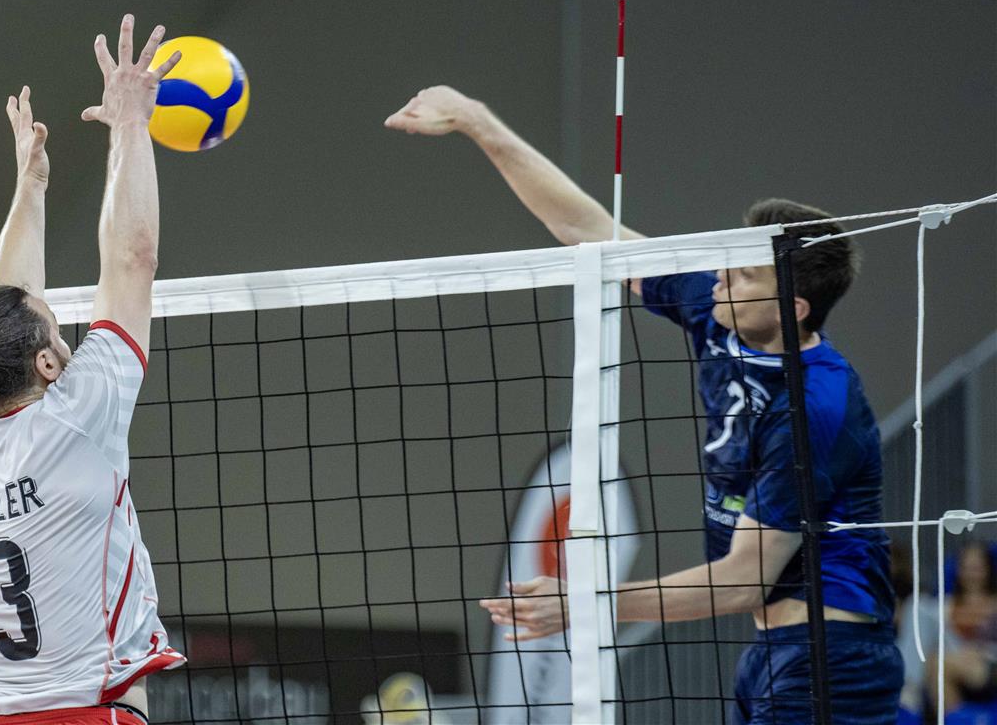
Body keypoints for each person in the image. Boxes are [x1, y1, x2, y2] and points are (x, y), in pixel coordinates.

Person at [386, 86, 904, 723]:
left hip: (832, 661)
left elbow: (744, 578)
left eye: (744, 273)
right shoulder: (720, 314)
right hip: (778, 651)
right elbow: (587, 230)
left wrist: (583, 602)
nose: (722, 275)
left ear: (791, 309)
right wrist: (476, 120)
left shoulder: (816, 405)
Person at [0, 15, 185, 725]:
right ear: (46, 361)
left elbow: (1, 307)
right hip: (88, 714)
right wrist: (131, 125)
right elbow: (132, 260)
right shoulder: (78, 416)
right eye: (58, 331)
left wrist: (31, 184)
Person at [925, 541, 997, 716]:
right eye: (966, 567)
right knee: (936, 663)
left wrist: (980, 651)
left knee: (938, 665)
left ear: (988, 569)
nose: (971, 574)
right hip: (954, 657)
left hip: (989, 663)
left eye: (976, 568)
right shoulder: (945, 605)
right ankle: (955, 719)